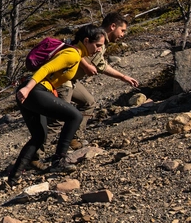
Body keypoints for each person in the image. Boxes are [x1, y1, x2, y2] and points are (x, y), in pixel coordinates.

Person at [6, 24, 107, 184]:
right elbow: (46, 69)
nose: (99, 50)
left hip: (32, 92)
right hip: (34, 91)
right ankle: (59, 160)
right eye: (98, 45)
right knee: (75, 116)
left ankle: (13, 177)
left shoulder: (75, 54)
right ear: (86, 41)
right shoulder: (73, 54)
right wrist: (27, 88)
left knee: (39, 136)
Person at [52, 11, 139, 144]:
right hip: (62, 79)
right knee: (59, 118)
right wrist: (86, 65)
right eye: (122, 30)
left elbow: (102, 66)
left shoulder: (102, 44)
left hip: (72, 80)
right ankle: (34, 156)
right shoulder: (93, 36)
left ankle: (72, 137)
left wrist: (123, 77)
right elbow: (73, 48)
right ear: (113, 26)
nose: (123, 34)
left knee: (89, 103)